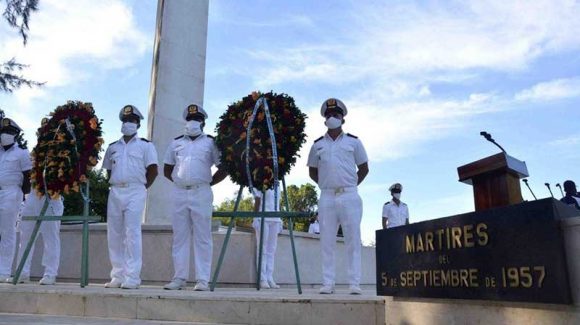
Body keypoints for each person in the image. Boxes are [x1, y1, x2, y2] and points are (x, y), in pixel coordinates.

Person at [307, 98, 369, 295]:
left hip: (349, 195)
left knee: (352, 239)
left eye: (336, 115)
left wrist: (350, 185)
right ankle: (328, 282)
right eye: (328, 115)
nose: (332, 118)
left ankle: (354, 283)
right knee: (326, 240)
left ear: (343, 118)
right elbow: (312, 171)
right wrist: (326, 185)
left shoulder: (354, 141)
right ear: (324, 119)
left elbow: (364, 168)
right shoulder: (317, 145)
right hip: (326, 197)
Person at [163, 104, 228, 291]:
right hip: (179, 192)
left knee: (203, 236)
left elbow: (222, 168)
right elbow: (167, 168)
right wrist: (179, 181)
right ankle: (179, 278)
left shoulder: (210, 142)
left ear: (203, 123)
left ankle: (202, 280)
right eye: (190, 119)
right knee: (180, 236)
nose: (193, 122)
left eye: (197, 119)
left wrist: (207, 183)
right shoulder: (175, 142)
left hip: (201, 192)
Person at [102, 105, 158, 289]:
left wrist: (142, 187)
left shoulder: (146, 145)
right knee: (114, 233)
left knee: (132, 233)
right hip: (116, 190)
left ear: (138, 124)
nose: (128, 124)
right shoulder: (112, 147)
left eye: (132, 121)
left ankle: (132, 277)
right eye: (125, 121)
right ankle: (117, 275)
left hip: (135, 190)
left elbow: (153, 170)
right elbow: (108, 170)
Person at [0, 118, 32, 282]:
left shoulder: (22, 152)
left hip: (12, 192)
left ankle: (3, 271)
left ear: (15, 135)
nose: (5, 135)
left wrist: (22, 195)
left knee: (7, 232)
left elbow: (27, 177)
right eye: (3, 132)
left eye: (9, 132)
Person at [12, 189, 64, 284]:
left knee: (51, 238)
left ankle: (50, 273)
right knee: (25, 238)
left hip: (52, 196)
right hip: (32, 196)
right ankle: (22, 272)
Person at [252, 187, 282, 289]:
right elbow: (257, 200)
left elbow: (278, 201)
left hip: (275, 218)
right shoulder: (261, 179)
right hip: (263, 217)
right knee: (262, 249)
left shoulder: (278, 183)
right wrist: (255, 217)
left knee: (272, 250)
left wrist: (280, 218)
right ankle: (262, 278)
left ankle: (269, 277)